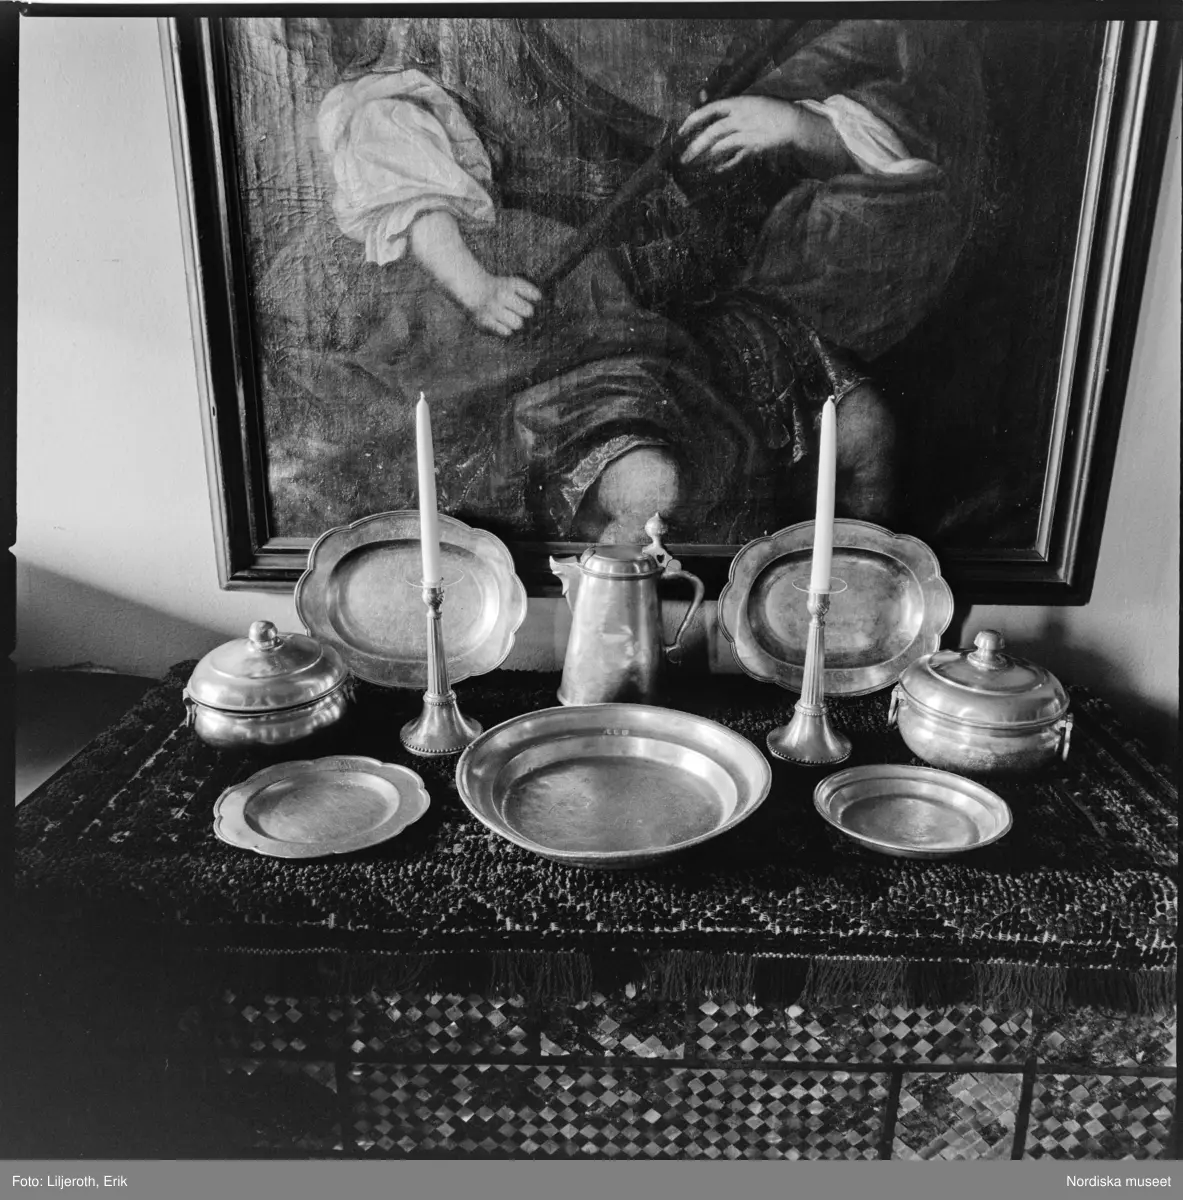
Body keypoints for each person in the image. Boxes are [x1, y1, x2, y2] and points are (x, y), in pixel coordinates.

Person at [260, 18, 985, 543]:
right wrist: (478, 286)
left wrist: (797, 124)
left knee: (865, 429)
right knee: (650, 487)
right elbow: (403, 163)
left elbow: (923, 134)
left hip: (692, 301)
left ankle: (842, 641)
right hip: (566, 326)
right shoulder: (444, 58)